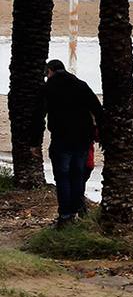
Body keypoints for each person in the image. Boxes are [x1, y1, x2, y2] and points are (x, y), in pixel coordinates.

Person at [41, 59, 103, 227]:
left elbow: (38, 115)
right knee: (77, 176)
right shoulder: (80, 85)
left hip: (61, 138)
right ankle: (77, 212)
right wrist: (102, 134)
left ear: (51, 71)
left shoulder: (48, 88)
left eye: (46, 74)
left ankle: (65, 216)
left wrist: (34, 142)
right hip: (83, 139)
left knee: (62, 178)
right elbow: (98, 109)